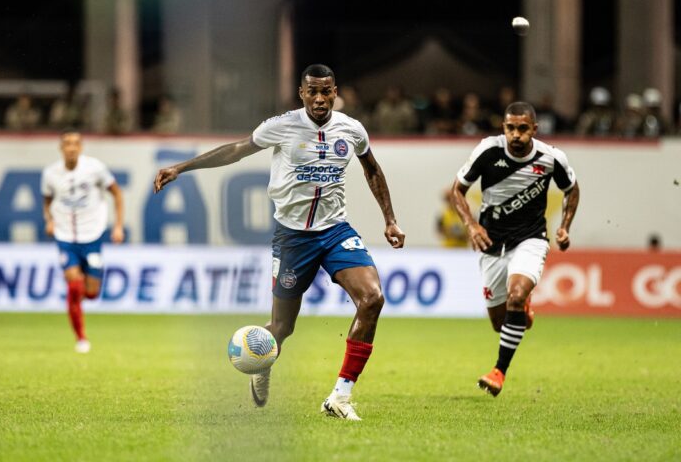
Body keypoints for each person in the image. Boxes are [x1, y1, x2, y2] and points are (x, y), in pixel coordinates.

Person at [154, 64, 405, 421]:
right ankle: (261, 361)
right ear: (301, 93)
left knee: (373, 298)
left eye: (327, 91)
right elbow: (236, 150)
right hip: (292, 238)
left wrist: (390, 220)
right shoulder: (282, 125)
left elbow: (372, 169)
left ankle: (340, 396)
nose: (320, 98)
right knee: (282, 329)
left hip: (335, 232)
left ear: (335, 92)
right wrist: (182, 167)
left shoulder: (351, 129)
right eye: (312, 91)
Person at [449, 101, 580, 397]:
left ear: (534, 128)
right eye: (511, 128)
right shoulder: (487, 151)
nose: (516, 135)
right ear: (503, 127)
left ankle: (499, 371)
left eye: (523, 128)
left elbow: (572, 189)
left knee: (517, 294)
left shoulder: (551, 157)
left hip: (530, 238)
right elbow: (457, 189)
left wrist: (565, 226)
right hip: (491, 244)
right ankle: (520, 312)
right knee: (500, 322)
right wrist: (471, 225)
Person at [42, 130, 125, 353]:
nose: (71, 147)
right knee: (74, 284)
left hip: (93, 236)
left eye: (75, 143)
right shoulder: (50, 174)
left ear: (81, 147)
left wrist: (117, 226)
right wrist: (49, 220)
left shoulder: (95, 169)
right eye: (67, 143)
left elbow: (117, 193)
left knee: (91, 293)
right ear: (61, 148)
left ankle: (87, 288)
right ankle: (81, 338)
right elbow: (47, 200)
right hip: (65, 236)